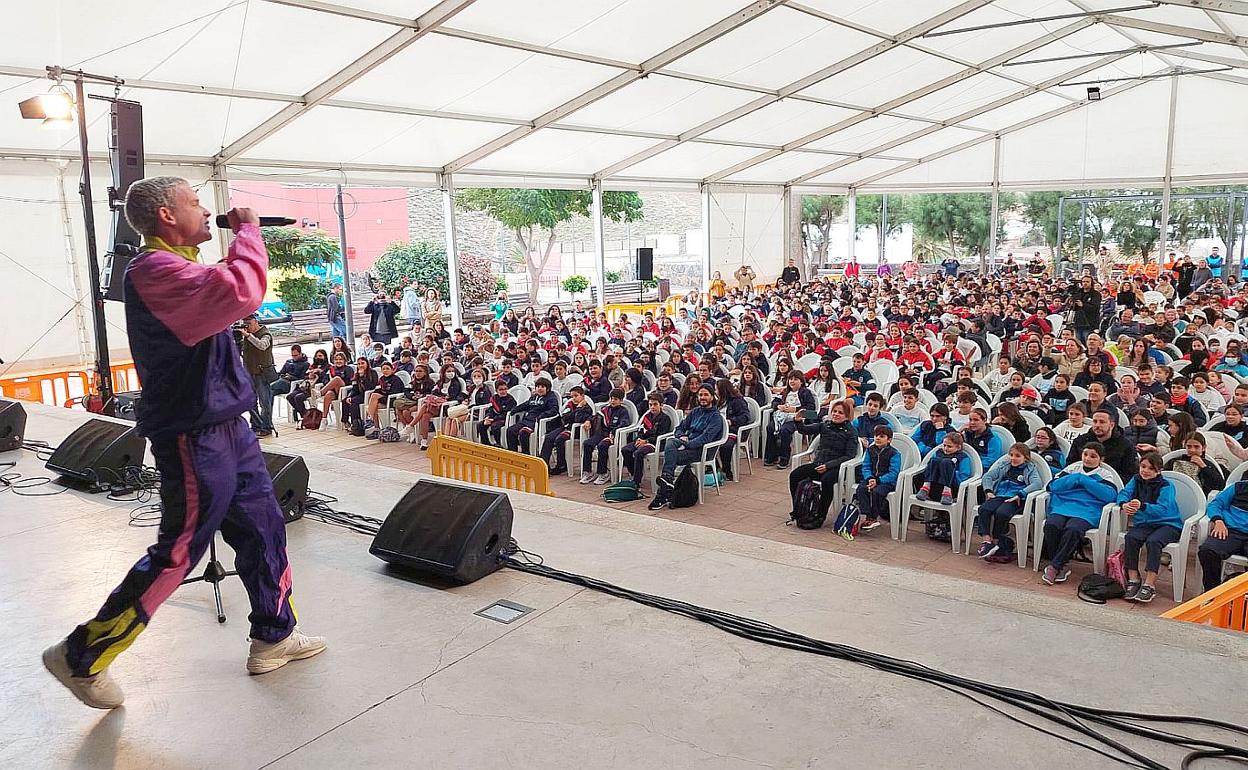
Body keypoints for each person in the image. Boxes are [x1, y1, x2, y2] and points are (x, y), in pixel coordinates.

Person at [43, 178, 324, 711]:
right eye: (195, 202)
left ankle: (275, 633)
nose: (205, 209)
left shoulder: (185, 265)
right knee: (179, 552)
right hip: (193, 436)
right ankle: (82, 654)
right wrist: (246, 231)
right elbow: (242, 290)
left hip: (228, 426)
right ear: (168, 216)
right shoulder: (153, 271)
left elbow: (226, 292)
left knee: (265, 529)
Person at [1041, 443, 1119, 586]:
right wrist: (1076, 477)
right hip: (1063, 506)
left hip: (1087, 511)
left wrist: (1084, 480)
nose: (1088, 459)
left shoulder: (1105, 474)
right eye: (1085, 455)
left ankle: (1054, 566)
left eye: (1093, 456)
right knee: (1052, 525)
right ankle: (1059, 565)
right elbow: (1052, 486)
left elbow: (1109, 495)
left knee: (1073, 529)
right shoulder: (1072, 469)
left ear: (1101, 459)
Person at [1117, 452, 1184, 603]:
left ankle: (1150, 583)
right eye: (1143, 466)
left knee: (1154, 542)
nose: (1145, 471)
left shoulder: (1167, 486)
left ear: (1159, 471)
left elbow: (1163, 508)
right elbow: (1123, 493)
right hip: (1145, 524)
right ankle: (1133, 578)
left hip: (1169, 524)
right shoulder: (1135, 480)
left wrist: (1142, 506)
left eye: (1150, 468)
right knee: (1131, 537)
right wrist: (1124, 504)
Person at [649, 385, 724, 510]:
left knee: (671, 457)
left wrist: (688, 444)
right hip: (687, 443)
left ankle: (663, 492)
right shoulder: (695, 412)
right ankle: (667, 482)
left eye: (706, 395)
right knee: (671, 441)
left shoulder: (715, 417)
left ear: (712, 397)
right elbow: (680, 428)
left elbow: (706, 438)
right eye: (700, 395)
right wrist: (682, 436)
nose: (703, 398)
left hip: (702, 451)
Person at [787, 400, 859, 525]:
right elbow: (804, 430)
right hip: (820, 463)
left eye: (840, 413)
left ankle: (820, 516)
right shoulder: (824, 425)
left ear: (846, 416)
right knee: (795, 475)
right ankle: (799, 509)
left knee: (827, 480)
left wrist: (828, 466)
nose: (836, 414)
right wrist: (798, 421)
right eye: (834, 411)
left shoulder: (851, 432)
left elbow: (850, 455)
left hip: (837, 467)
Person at [975, 443, 1043, 563]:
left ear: (1025, 458)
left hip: (1015, 498)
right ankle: (987, 540)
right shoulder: (1004, 466)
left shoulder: (1030, 469)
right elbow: (988, 476)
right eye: (1011, 455)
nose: (1013, 458)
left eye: (1017, 456)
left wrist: (1020, 494)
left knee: (1001, 513)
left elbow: (1037, 484)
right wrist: (989, 491)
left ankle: (996, 541)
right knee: (984, 509)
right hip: (1000, 495)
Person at [1198, 480, 1248, 591]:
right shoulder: (1238, 487)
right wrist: (1218, 520)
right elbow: (1215, 504)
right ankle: (1213, 594)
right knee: (1208, 551)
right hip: (1230, 531)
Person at [1070, 409, 1138, 482]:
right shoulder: (1081, 441)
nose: (1097, 425)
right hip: (1078, 482)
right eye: (1095, 421)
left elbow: (1129, 474)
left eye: (1102, 422)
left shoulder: (1125, 445)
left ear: (1111, 425)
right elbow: (1071, 465)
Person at [855, 424, 900, 533]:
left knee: (877, 492)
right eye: (876, 436)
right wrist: (870, 478)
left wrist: (879, 480)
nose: (878, 438)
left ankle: (873, 517)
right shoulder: (870, 450)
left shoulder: (894, 453)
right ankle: (867, 515)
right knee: (861, 489)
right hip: (871, 477)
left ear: (889, 440)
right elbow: (866, 466)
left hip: (886, 481)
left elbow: (894, 472)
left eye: (881, 436)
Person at [540, 386, 594, 476]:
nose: (573, 399)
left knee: (559, 439)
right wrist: (576, 410)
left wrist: (579, 408)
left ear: (582, 396)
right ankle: (544, 465)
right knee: (548, 437)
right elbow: (565, 417)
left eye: (576, 396)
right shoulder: (569, 405)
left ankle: (561, 465)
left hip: (576, 430)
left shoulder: (586, 407)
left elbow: (578, 419)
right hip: (565, 426)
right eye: (572, 396)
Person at [581, 388, 632, 484]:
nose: (613, 401)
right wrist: (588, 420)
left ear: (621, 401)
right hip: (602, 433)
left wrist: (613, 432)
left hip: (613, 435)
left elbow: (625, 423)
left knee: (602, 446)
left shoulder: (623, 411)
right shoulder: (605, 409)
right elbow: (594, 416)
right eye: (611, 398)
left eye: (616, 399)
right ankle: (587, 472)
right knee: (587, 444)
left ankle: (603, 473)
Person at [239, 314, 277, 437]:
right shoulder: (245, 336)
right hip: (249, 373)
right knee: (250, 402)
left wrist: (248, 336)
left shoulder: (265, 334)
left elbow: (262, 345)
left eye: (248, 323)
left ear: (255, 322)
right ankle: (256, 425)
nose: (247, 327)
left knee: (265, 402)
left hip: (262, 374)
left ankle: (266, 427)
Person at [622, 394, 672, 486]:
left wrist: (646, 441)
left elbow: (661, 435)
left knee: (639, 453)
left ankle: (636, 482)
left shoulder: (665, 419)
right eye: (650, 405)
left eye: (655, 404)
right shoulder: (647, 417)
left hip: (655, 443)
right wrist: (639, 439)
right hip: (643, 441)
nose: (652, 407)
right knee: (625, 450)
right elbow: (641, 430)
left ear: (661, 405)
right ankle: (634, 473)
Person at [913, 431, 973, 507]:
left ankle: (947, 492)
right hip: (935, 484)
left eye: (949, 446)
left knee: (947, 463)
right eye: (944, 445)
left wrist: (952, 472)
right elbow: (929, 468)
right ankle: (926, 488)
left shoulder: (963, 458)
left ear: (958, 447)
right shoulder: (939, 453)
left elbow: (964, 477)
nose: (946, 449)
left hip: (952, 487)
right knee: (934, 461)